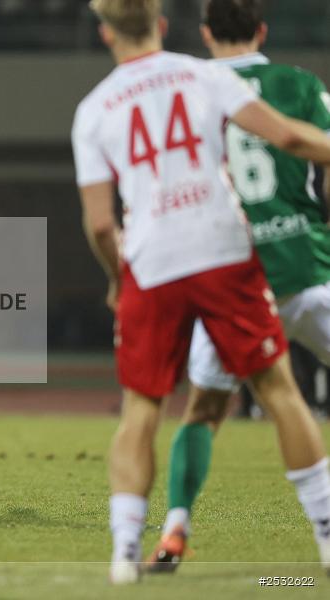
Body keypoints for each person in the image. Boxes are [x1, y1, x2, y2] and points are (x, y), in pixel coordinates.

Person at [72, 0, 330, 584]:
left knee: (143, 407)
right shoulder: (202, 75)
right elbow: (290, 138)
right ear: (162, 26)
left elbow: (100, 224)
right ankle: (324, 534)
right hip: (224, 252)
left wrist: (117, 277)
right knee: (279, 389)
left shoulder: (94, 109)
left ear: (106, 33)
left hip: (152, 262)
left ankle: (125, 551)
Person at [147, 0, 330, 572]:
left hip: (229, 277)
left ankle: (174, 530)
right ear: (262, 30)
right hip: (305, 264)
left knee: (203, 410)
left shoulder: (188, 91)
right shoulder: (301, 85)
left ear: (205, 33)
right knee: (288, 399)